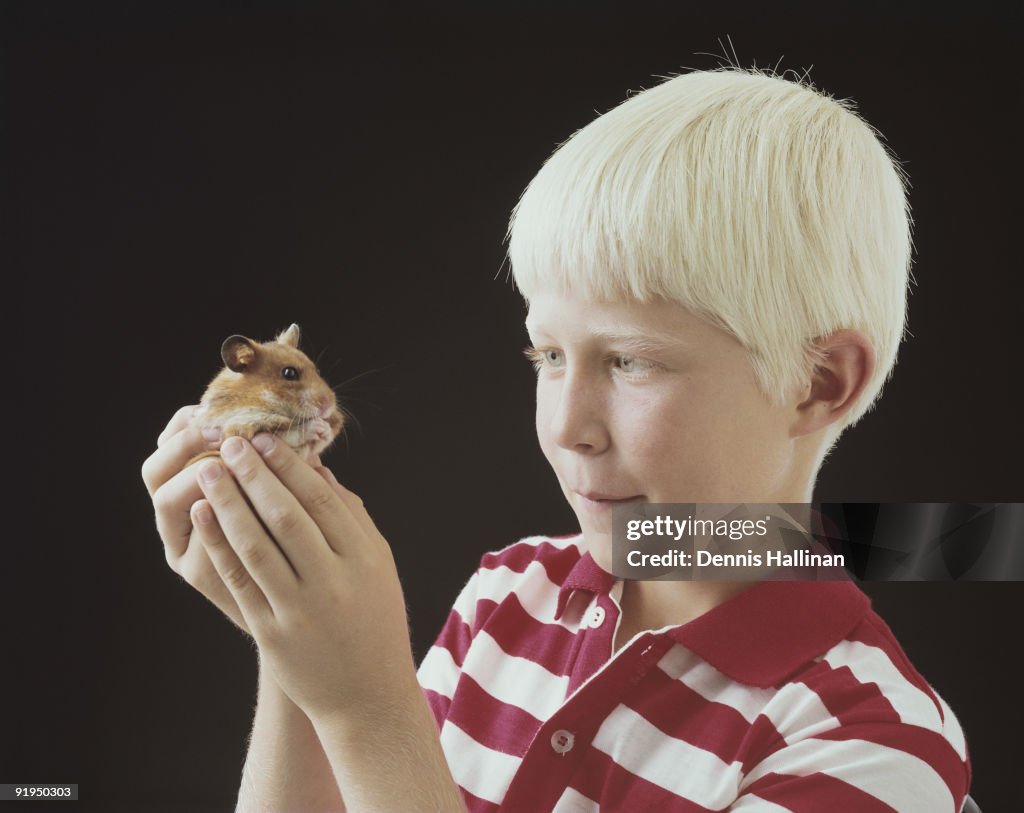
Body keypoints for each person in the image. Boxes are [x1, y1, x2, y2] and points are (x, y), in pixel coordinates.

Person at [142, 65, 972, 812]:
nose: (565, 426)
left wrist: (368, 711)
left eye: (629, 361)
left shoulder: (874, 749)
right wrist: (292, 641)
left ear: (819, 381)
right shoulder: (511, 596)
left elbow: (378, 741)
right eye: (547, 354)